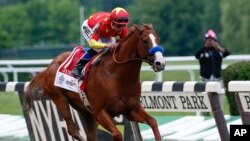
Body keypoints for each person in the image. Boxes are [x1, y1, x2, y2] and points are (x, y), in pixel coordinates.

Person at [72, 7, 129, 78]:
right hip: (89, 26)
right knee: (98, 48)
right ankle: (78, 68)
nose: (121, 28)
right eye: (119, 25)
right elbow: (92, 43)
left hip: (106, 32)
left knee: (113, 49)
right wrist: (106, 45)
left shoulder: (123, 28)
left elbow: (125, 45)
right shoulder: (102, 25)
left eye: (123, 25)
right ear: (112, 22)